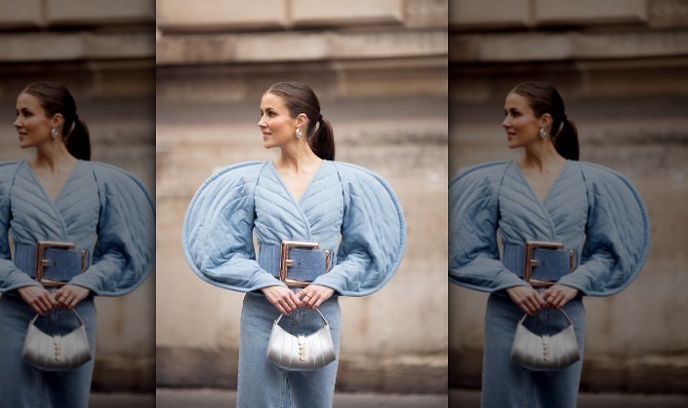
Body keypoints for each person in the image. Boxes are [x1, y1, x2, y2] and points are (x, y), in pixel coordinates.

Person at [183, 81, 406, 407]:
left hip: (321, 312)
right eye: (260, 113)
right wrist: (264, 282)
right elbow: (220, 250)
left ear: (300, 121)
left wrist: (331, 282)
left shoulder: (347, 182)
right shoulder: (249, 181)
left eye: (270, 113)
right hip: (263, 310)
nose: (261, 122)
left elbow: (364, 253)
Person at [0, 81, 155, 408]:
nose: (17, 122)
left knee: (69, 401)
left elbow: (121, 252)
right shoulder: (4, 182)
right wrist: (19, 282)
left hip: (76, 311)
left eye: (26, 113)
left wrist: (86, 282)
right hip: (19, 310)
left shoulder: (103, 182)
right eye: (16, 114)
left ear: (55, 121)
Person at [448, 81, 650, 407]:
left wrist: (574, 283)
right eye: (505, 113)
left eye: (515, 113)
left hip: (565, 312)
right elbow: (467, 251)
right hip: (507, 311)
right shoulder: (492, 182)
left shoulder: (590, 182)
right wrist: (508, 282)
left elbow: (607, 252)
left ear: (544, 121)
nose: (505, 122)